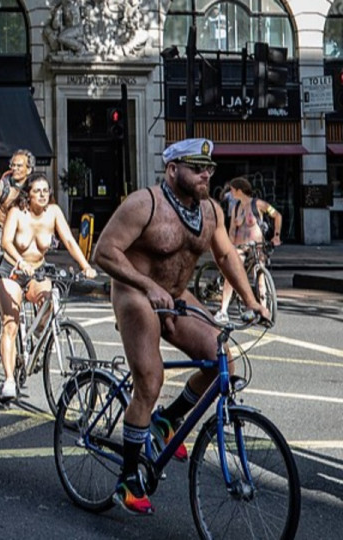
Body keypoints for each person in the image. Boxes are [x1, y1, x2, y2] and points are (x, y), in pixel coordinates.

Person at [93, 138, 269, 515]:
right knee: (151, 380)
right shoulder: (145, 204)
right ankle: (127, 478)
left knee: (220, 356)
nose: (206, 174)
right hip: (135, 292)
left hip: (175, 294)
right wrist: (147, 285)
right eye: (196, 167)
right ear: (173, 169)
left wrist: (252, 299)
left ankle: (167, 420)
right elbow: (104, 251)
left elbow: (224, 254)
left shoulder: (210, 211)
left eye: (209, 168)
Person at [0, 172, 97, 400]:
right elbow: (6, 242)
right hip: (11, 271)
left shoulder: (54, 212)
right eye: (37, 191)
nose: (42, 194)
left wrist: (85, 265)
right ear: (27, 195)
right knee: (10, 323)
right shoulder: (17, 213)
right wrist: (20, 262)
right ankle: (9, 380)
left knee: (53, 298)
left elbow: (69, 240)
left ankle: (37, 337)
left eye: (45, 190)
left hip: (37, 270)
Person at [215, 176, 283, 322]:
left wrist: (276, 236)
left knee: (260, 278)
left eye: (232, 190)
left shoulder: (258, 204)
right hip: (240, 247)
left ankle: (263, 310)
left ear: (239, 190)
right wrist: (228, 246)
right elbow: (232, 230)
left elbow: (277, 215)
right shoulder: (236, 208)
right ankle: (223, 311)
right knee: (232, 276)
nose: (231, 193)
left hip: (256, 247)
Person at [0, 149, 35, 254]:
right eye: (13, 165)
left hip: (23, 232)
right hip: (0, 230)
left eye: (19, 166)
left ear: (28, 169)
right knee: (4, 262)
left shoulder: (36, 187)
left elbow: (47, 211)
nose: (15, 169)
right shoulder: (2, 185)